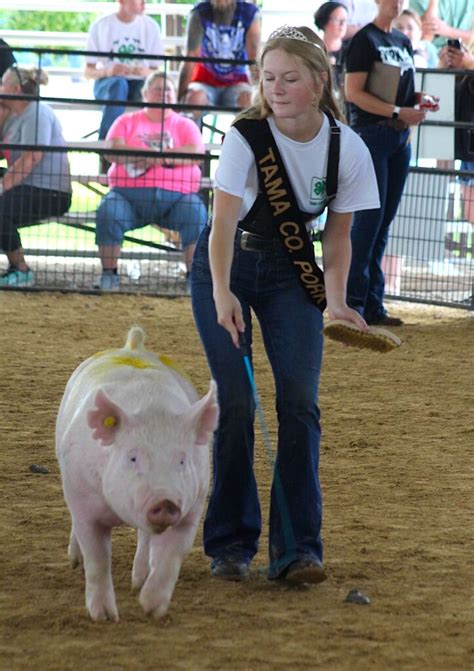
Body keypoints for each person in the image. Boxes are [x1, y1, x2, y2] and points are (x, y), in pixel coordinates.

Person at [191, 26, 379, 583]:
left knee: (299, 404)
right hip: (225, 268)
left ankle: (299, 549)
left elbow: (338, 237)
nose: (275, 87)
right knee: (236, 403)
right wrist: (224, 292)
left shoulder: (348, 146)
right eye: (268, 76)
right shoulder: (244, 135)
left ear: (320, 82)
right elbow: (222, 223)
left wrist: (337, 301)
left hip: (293, 275)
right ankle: (230, 543)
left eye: (289, 78)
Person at [344, 0, 439, 326]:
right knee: (368, 223)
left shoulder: (402, 41)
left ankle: (372, 304)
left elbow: (400, 90)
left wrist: (417, 100)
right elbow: (353, 92)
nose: (397, 2)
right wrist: (399, 112)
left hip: (398, 139)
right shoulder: (363, 40)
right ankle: (352, 304)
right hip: (371, 135)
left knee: (381, 224)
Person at [95, 71, 208, 292]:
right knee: (108, 211)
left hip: (179, 198)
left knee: (196, 213)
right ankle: (109, 274)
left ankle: (193, 278)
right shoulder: (126, 121)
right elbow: (111, 150)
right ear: (145, 93)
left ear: (175, 96)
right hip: (127, 196)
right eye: (158, 88)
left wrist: (155, 157)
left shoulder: (185, 125)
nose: (163, 93)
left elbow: (195, 152)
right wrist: (158, 154)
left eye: (168, 90)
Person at [0, 66, 72, 288]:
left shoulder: (37, 113)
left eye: (2, 84)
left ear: (15, 89)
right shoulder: (15, 116)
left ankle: (22, 270)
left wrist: (3, 187)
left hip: (49, 191)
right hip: (27, 185)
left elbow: (32, 157)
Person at [85, 0, 164, 140]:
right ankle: (108, 146)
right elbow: (88, 72)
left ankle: (140, 146)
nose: (144, 3)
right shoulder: (101, 25)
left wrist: (142, 71)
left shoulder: (151, 26)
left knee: (147, 90)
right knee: (118, 85)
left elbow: (155, 72)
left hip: (139, 83)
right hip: (108, 84)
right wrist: (108, 72)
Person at [177, 0, 261, 117]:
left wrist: (259, 95)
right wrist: (178, 101)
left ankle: (242, 135)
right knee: (193, 100)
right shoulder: (199, 13)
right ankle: (190, 135)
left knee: (248, 102)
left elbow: (254, 59)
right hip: (203, 82)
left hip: (237, 83)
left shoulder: (250, 13)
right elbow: (190, 57)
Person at [314, 2, 349, 96]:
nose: (342, 24)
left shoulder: (351, 52)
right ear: (324, 22)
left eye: (345, 20)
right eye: (337, 19)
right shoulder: (313, 51)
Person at [409, 0, 473, 49]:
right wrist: (433, 2)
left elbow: (471, 38)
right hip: (432, 58)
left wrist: (448, 31)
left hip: (462, 58)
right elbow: (425, 38)